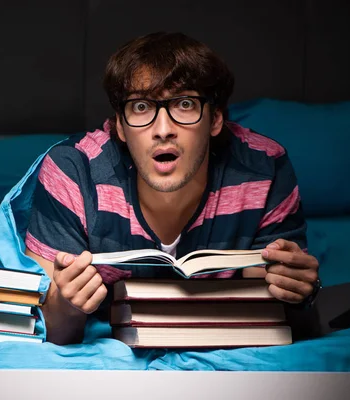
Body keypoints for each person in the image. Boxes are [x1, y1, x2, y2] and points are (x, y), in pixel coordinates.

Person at [24, 32, 320, 345]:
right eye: (140, 106)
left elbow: (284, 319)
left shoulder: (264, 168)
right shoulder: (73, 171)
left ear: (215, 119)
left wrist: (297, 292)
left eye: (185, 104)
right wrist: (68, 305)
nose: (163, 130)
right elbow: (48, 330)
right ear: (120, 127)